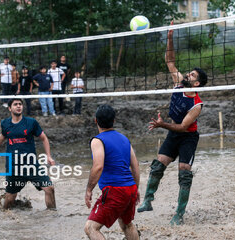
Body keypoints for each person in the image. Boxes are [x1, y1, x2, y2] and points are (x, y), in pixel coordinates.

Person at [137, 22, 208, 225]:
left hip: (187, 137)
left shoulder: (197, 104)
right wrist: (169, 37)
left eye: (192, 75)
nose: (187, 74)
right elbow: (169, 61)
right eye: (189, 73)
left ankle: (179, 214)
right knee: (157, 166)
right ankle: (148, 201)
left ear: (197, 84)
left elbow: (183, 127)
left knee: (184, 172)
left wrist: (162, 125)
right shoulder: (178, 83)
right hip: (172, 133)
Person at [0, 98, 56, 209]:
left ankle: (52, 214)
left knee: (49, 188)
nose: (18, 106)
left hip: (31, 165)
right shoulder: (5, 123)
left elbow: (44, 138)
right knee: (10, 198)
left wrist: (48, 156)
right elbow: (3, 136)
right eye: (15, 104)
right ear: (9, 108)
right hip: (13, 167)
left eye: (20, 104)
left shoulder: (31, 122)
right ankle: (5, 216)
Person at [84, 105, 140, 240]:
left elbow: (98, 167)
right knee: (126, 224)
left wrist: (88, 189)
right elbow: (135, 166)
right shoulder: (124, 139)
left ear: (95, 120)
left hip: (115, 190)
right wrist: (135, 189)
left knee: (91, 227)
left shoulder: (97, 140)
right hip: (130, 188)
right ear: (114, 121)